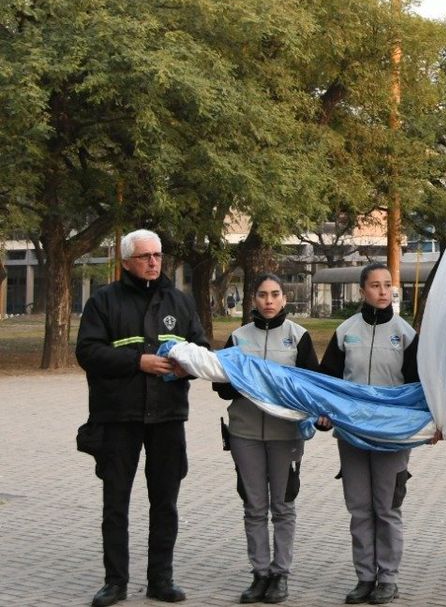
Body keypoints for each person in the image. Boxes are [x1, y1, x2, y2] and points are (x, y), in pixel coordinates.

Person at [75, 229, 211, 607]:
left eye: (158, 255)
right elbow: (87, 352)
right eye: (145, 256)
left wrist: (188, 367)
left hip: (168, 417)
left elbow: (201, 349)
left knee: (165, 502)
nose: (153, 262)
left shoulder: (180, 302)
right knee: (115, 503)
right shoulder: (104, 301)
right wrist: (138, 361)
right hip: (119, 417)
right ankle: (115, 582)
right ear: (126, 262)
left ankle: (160, 580)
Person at [213, 273, 320, 604]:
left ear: (284, 299)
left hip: (285, 435)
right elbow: (221, 388)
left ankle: (280, 574)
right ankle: (260, 573)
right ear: (254, 299)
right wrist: (240, 381)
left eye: (275, 294)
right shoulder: (237, 337)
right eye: (262, 295)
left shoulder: (298, 337)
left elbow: (312, 386)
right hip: (245, 433)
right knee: (254, 505)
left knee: (283, 505)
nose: (269, 300)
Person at [318, 262, 419, 606]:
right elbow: (328, 381)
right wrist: (326, 415)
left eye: (387, 285)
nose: (382, 291)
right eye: (374, 285)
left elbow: (419, 387)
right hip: (352, 434)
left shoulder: (405, 334)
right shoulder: (346, 331)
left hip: (391, 437)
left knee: (387, 508)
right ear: (362, 291)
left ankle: (388, 578)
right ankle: (365, 577)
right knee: (360, 509)